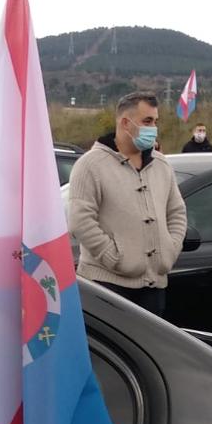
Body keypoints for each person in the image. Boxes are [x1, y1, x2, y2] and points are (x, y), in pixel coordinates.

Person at [67, 91, 188, 316]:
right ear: (125, 123)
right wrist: (114, 257)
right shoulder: (90, 165)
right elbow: (80, 220)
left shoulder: (161, 165)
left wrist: (170, 250)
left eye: (155, 121)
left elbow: (177, 212)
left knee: (149, 349)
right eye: (147, 121)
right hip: (107, 288)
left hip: (154, 286)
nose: (154, 128)